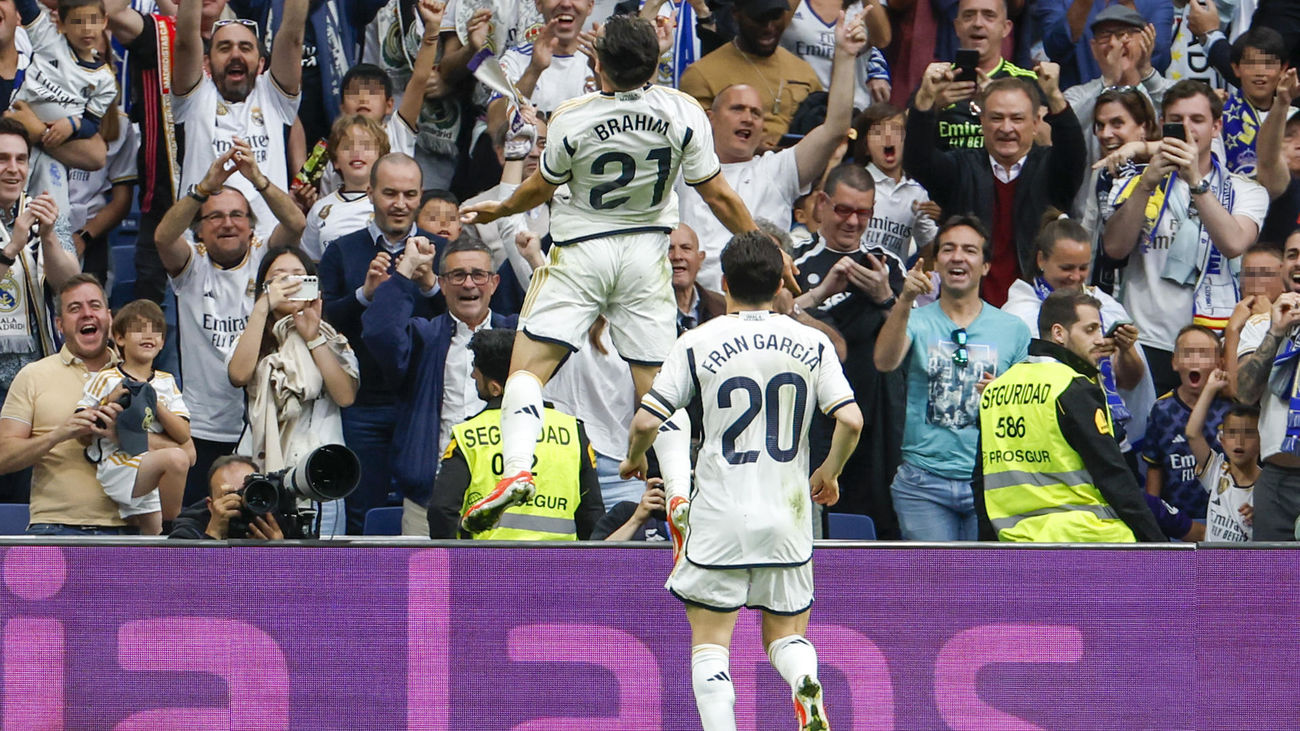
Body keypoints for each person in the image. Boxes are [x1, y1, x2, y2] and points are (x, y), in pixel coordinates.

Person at [458, 15, 756, 533]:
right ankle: (679, 492)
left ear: (598, 65)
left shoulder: (572, 117)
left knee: (526, 373)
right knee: (657, 387)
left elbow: (540, 189)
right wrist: (761, 241)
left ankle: (520, 469)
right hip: (646, 255)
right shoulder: (685, 111)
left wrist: (502, 208)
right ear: (656, 64)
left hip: (582, 252)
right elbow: (720, 196)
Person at [621, 231, 862, 731]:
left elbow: (647, 421)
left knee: (710, 643)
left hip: (720, 515)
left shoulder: (697, 341)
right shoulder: (813, 342)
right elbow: (851, 419)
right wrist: (830, 471)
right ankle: (803, 679)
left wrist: (634, 459)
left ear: (724, 282)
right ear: (780, 284)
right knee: (786, 636)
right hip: (787, 517)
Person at [153, 138, 305, 507]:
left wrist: (258, 179)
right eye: (215, 216)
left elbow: (296, 223)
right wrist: (203, 188)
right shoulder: (192, 266)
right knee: (201, 524)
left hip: (262, 425)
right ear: (199, 230)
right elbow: (163, 237)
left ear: (251, 227)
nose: (227, 223)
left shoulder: (264, 259)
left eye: (237, 215)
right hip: (202, 426)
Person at [677, 9, 866, 291]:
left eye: (756, 113)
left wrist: (846, 55)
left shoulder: (777, 168)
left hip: (762, 300)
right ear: (710, 118)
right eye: (737, 109)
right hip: (694, 298)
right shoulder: (682, 170)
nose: (748, 118)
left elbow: (836, 128)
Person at [1102, 80, 1268, 396]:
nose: (1187, 128)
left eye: (1197, 119)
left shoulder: (1247, 190)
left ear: (1216, 127)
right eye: (1177, 120)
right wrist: (1146, 185)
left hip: (1215, 342)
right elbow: (1114, 248)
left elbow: (1234, 244)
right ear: (1163, 124)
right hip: (1147, 338)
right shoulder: (1134, 182)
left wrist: (1195, 182)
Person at [874, 216, 1031, 541]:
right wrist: (904, 300)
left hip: (991, 480)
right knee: (935, 575)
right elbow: (884, 362)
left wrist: (1004, 395)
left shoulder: (1014, 329)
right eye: (948, 249)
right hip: (923, 483)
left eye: (969, 250)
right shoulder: (914, 319)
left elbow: (1028, 410)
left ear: (986, 266)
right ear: (936, 263)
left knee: (984, 577)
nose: (958, 257)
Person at [975, 289, 1165, 542]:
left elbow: (980, 480)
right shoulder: (1073, 386)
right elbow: (1112, 474)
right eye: (1090, 330)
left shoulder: (996, 390)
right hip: (1089, 540)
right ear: (1058, 333)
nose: (1099, 339)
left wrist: (990, 547)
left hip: (1016, 541)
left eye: (1100, 330)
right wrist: (1157, 544)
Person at [319, 152, 441, 534]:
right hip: (363, 404)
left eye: (409, 194)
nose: (400, 204)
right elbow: (323, 324)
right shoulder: (341, 250)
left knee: (428, 509)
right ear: (370, 192)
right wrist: (364, 295)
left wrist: (431, 285)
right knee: (362, 510)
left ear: (420, 195)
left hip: (425, 403)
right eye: (390, 193)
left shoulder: (441, 250)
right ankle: (365, 576)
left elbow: (462, 320)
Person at [362, 236, 513, 534]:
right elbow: (380, 332)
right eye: (457, 275)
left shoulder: (515, 336)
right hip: (429, 498)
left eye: (478, 275)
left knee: (498, 568)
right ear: (441, 284)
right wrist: (406, 268)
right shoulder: (425, 337)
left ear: (494, 283)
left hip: (503, 496)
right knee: (427, 569)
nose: (468, 284)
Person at [905, 68, 1086, 307]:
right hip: (966, 310)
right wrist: (926, 97)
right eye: (996, 118)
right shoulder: (960, 168)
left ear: (1035, 124)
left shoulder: (1053, 170)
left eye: (1017, 119)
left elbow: (1074, 152)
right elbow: (917, 159)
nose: (1006, 128)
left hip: (1037, 312)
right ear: (982, 122)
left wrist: (1053, 94)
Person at [790, 163, 905, 536]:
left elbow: (905, 345)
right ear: (822, 203)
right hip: (810, 420)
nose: (853, 222)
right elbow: (776, 319)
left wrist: (884, 297)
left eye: (863, 212)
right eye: (843, 209)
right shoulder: (796, 262)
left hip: (874, 420)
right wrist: (818, 296)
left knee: (871, 530)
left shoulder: (888, 266)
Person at [227, 246, 359, 538]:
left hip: (321, 475)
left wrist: (313, 338)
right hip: (260, 475)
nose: (289, 284)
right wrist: (262, 308)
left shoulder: (332, 339)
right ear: (265, 287)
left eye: (298, 276)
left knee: (320, 565)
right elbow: (238, 375)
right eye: (279, 278)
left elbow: (345, 396)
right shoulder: (248, 338)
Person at [427, 328, 603, 539]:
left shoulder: (468, 435)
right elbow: (592, 514)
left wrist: (457, 557)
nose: (473, 375)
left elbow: (442, 509)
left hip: (487, 559)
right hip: (558, 558)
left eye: (476, 369)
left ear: (496, 388)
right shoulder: (573, 431)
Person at [1001, 217, 1153, 451]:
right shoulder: (1019, 313)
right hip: (1048, 437)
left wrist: (1126, 349)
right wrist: (1085, 354)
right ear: (1041, 260)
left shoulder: (1105, 305)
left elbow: (1130, 383)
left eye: (1083, 268)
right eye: (1066, 268)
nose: (1075, 277)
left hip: (1109, 436)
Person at [0, 275, 136, 534]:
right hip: (53, 529)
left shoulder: (139, 377)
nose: (87, 314)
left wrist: (125, 436)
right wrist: (59, 434)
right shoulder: (33, 375)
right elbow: (3, 457)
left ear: (109, 317)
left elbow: (185, 453)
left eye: (95, 305)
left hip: (127, 530)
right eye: (75, 308)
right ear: (59, 325)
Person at [172, 0, 307, 242]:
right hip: (202, 246)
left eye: (245, 48)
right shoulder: (195, 96)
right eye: (224, 48)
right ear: (206, 63)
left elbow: (293, 38)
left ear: (261, 63)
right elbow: (184, 42)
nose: (235, 54)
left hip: (267, 244)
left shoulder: (273, 96)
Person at [77, 299, 192, 535]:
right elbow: (81, 423)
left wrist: (153, 401)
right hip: (119, 465)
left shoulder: (167, 381)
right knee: (177, 459)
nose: (148, 336)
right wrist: (108, 401)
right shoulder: (107, 378)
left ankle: (167, 536)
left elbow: (183, 434)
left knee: (152, 542)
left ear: (163, 342)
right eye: (139, 329)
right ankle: (174, 529)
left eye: (156, 331)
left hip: (152, 469)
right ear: (119, 338)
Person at [9, 0, 118, 209]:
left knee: (51, 208)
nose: (86, 28)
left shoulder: (104, 79)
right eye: (77, 21)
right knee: (9, 197)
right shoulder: (49, 40)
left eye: (93, 20)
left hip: (54, 149)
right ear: (61, 24)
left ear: (105, 21)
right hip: (15, 129)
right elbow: (27, 7)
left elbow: (92, 123)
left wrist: (73, 124)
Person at [1230, 230, 1300, 541]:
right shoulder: (1261, 326)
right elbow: (1244, 393)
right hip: (1277, 480)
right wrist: (1275, 332)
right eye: (1292, 254)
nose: (1298, 262)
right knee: (1272, 572)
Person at [678, 0, 824, 150]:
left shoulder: (804, 71)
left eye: (776, 17)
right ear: (736, 14)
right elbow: (695, 146)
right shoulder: (701, 74)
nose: (769, 27)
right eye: (759, 19)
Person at [1143, 325, 1230, 519]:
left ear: (1219, 363)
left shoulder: (1230, 407)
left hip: (1225, 518)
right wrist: (1153, 518)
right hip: (1178, 520)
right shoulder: (1162, 410)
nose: (1195, 360)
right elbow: (1154, 467)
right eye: (1188, 353)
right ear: (1174, 362)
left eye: (1204, 354)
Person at [933, 0, 1037, 151]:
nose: (977, 23)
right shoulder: (936, 81)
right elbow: (903, 135)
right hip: (946, 165)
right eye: (969, 16)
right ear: (957, 27)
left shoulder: (1027, 82)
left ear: (1005, 28)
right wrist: (931, 106)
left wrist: (1001, 101)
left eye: (989, 16)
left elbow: (1048, 141)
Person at [853, 103, 938, 263]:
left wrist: (943, 217)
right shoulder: (854, 182)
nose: (888, 137)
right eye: (878, 132)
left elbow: (931, 247)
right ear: (865, 147)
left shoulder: (917, 193)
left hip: (893, 277)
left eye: (896, 131)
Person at [300, 115, 389, 262]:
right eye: (348, 147)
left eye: (366, 146)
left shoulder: (390, 204)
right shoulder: (319, 209)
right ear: (335, 161)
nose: (357, 152)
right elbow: (311, 263)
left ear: (381, 157)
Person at [1033, 0, 1173, 89]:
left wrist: (1129, 7)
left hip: (1140, 105)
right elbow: (1055, 48)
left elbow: (1160, 59)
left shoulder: (1156, 3)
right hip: (1078, 106)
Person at [1187, 369, 1258, 542]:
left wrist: (1262, 517)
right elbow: (1192, 433)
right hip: (1211, 560)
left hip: (1248, 560)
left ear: (1262, 440)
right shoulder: (1216, 471)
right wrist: (1210, 389)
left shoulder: (1268, 486)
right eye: (1232, 433)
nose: (1239, 441)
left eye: (1248, 433)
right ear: (1223, 440)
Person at [1221, 27, 1289, 179]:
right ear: (1236, 68)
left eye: (1268, 64)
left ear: (1283, 69)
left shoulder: (1293, 117)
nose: (1260, 72)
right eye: (1251, 64)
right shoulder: (1220, 115)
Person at [168, 454, 285, 539]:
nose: (241, 501)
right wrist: (213, 533)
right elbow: (179, 565)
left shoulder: (274, 517)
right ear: (210, 506)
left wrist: (280, 552)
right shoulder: (192, 525)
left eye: (247, 492)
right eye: (230, 495)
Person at [670, 224, 726, 331]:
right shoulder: (643, 310)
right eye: (669, 249)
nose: (677, 256)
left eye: (686, 248)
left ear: (700, 258)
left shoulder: (722, 308)